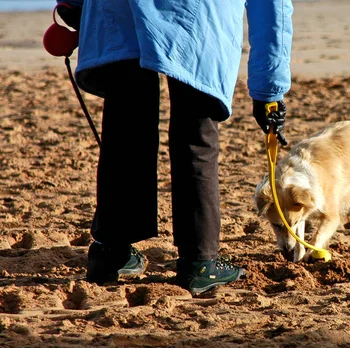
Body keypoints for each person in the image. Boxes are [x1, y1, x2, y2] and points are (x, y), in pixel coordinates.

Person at [54, 0, 293, 295]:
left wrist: (74, 5)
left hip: (117, 10)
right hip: (198, 17)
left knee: (124, 129)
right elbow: (272, 8)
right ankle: (200, 264)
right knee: (196, 137)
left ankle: (110, 252)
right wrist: (269, 91)